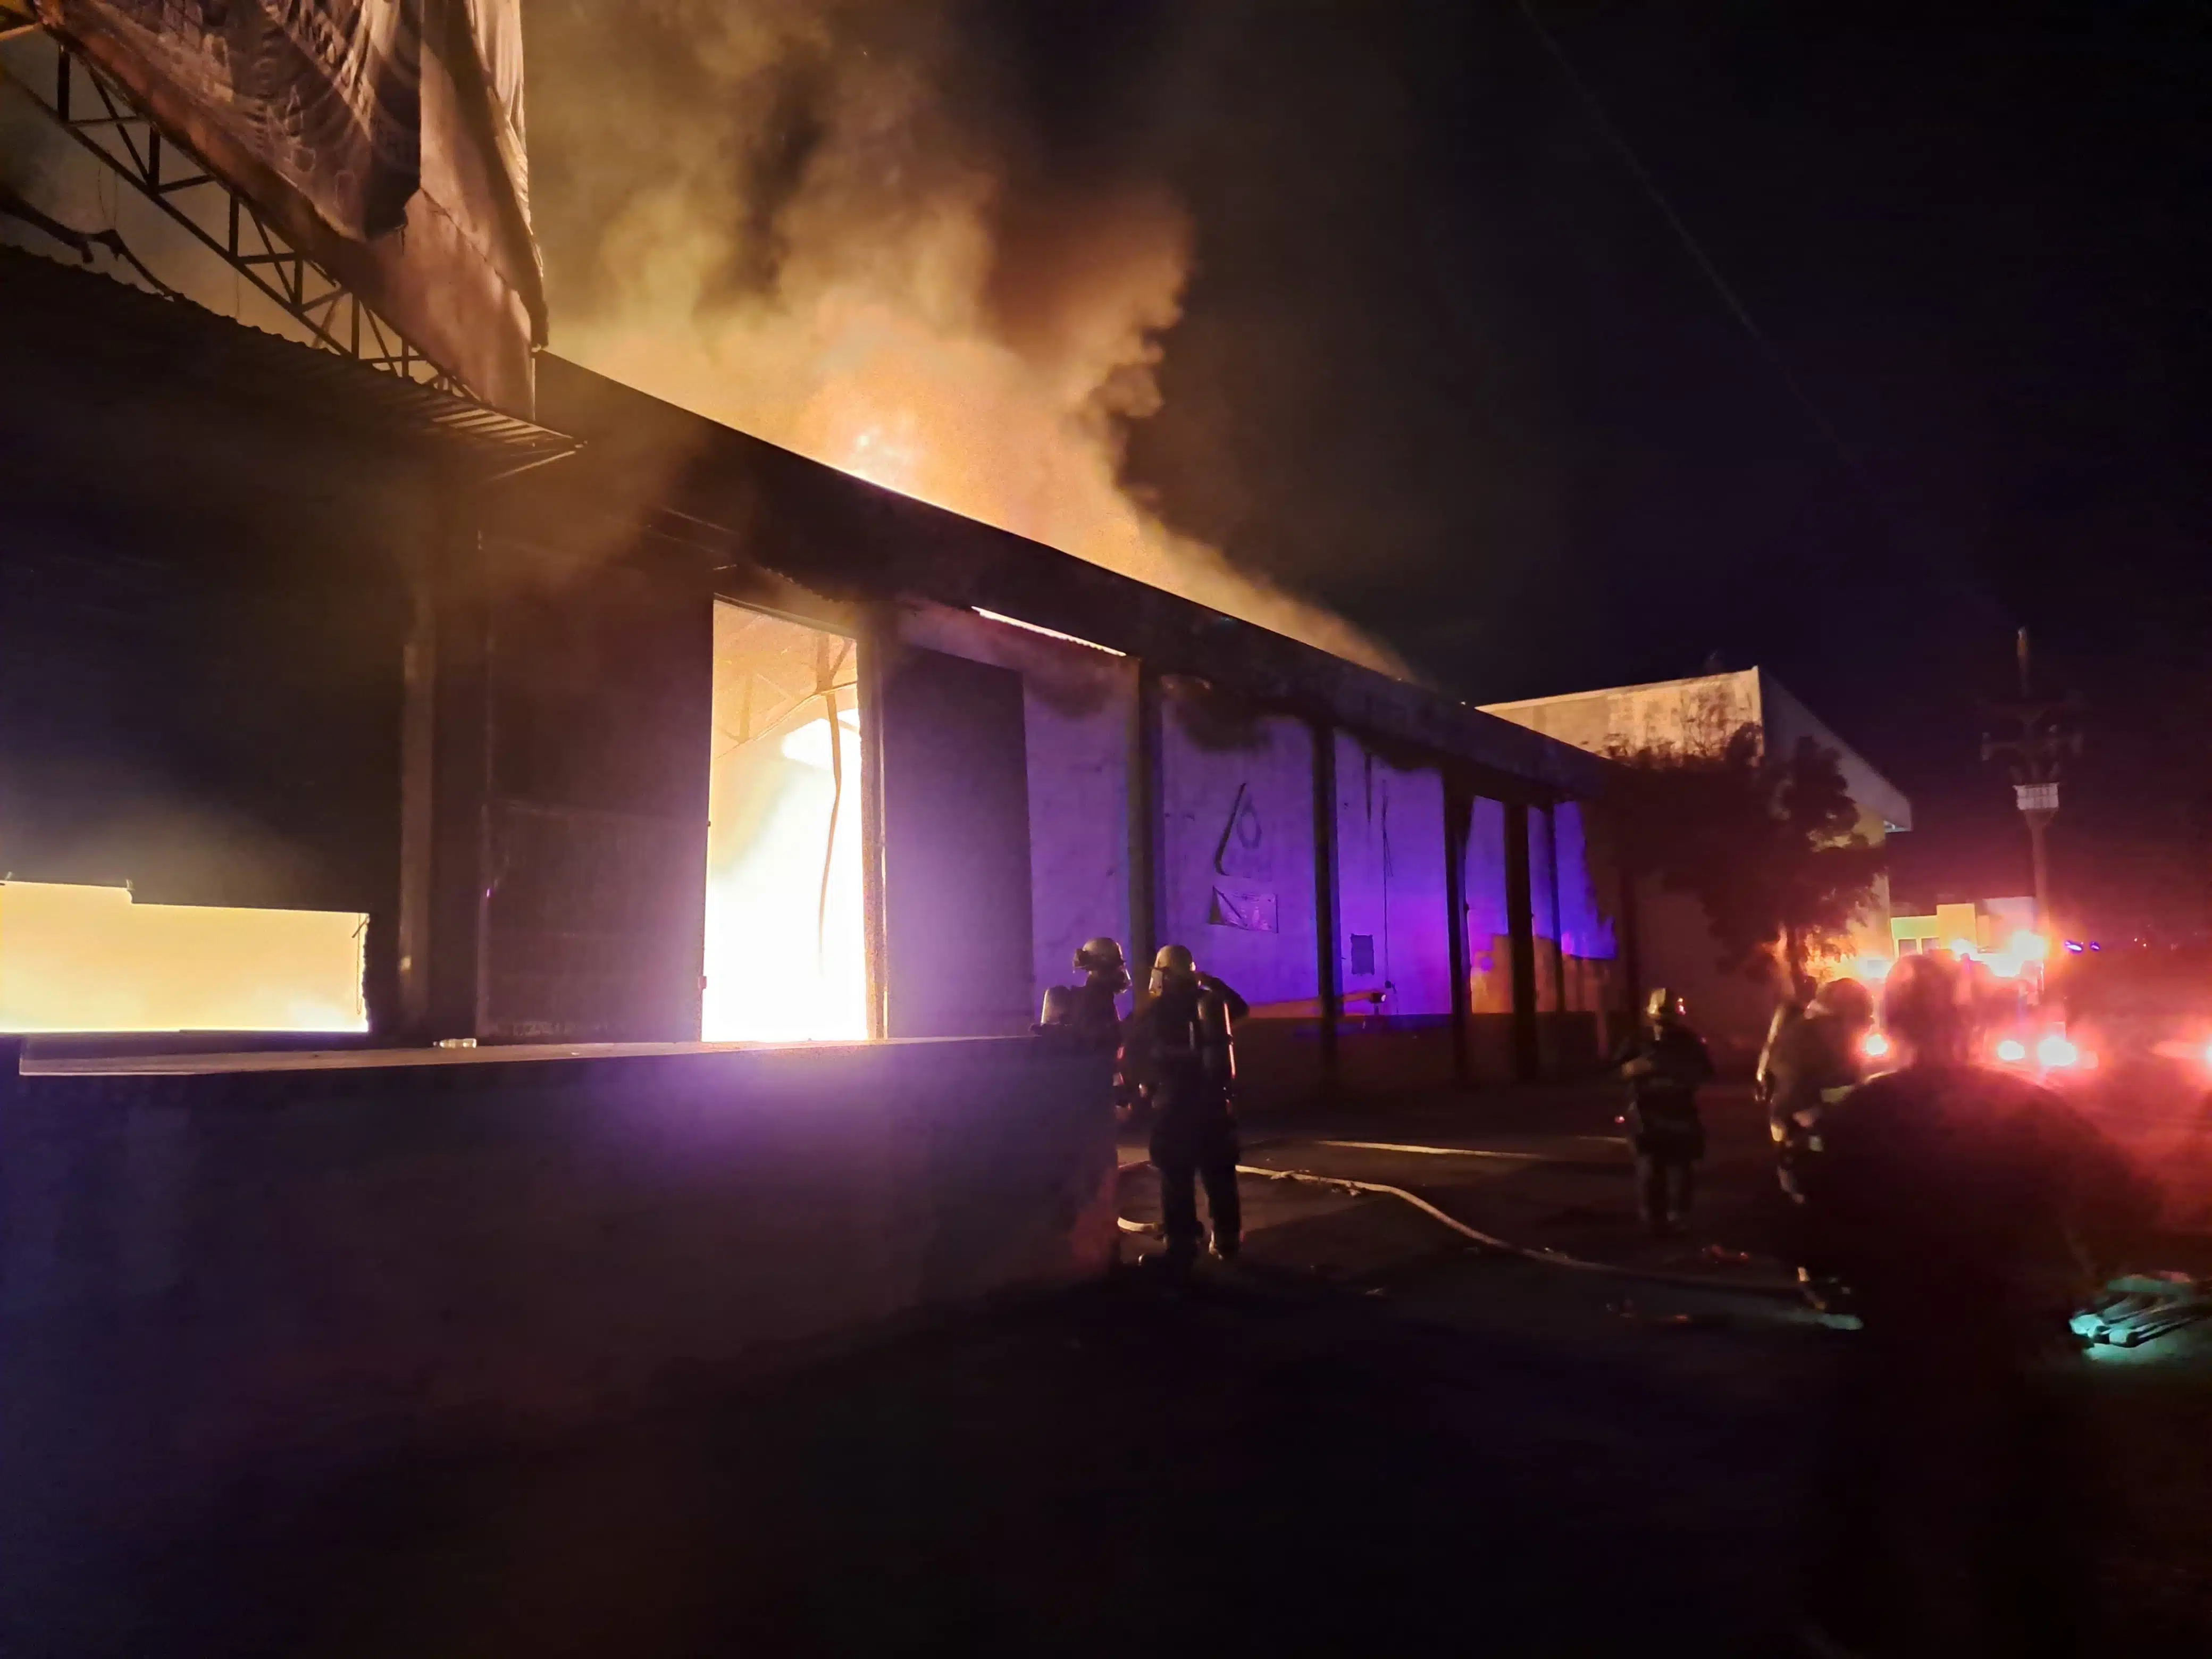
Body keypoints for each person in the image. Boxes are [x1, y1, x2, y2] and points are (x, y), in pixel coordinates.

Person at [1799, 950, 2138, 1657]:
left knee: (1885, 1517)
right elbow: (2126, 1193)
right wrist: (2082, 1269)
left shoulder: (1865, 1114)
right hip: (2020, 1345)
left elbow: (1818, 1230)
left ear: (1893, 1024)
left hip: (1907, 1349)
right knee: (2039, 1528)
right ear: (1976, 1021)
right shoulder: (2029, 1107)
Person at [1118, 944, 1241, 1269]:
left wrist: (1139, 1087)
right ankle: (1227, 1240)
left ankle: (1182, 1245)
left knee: (1177, 1177)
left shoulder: (1154, 1011)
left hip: (1175, 1106)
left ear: (1164, 973)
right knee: (1220, 1174)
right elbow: (1240, 1009)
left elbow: (1129, 1046)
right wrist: (1212, 982)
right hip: (1215, 1103)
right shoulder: (1209, 1003)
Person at [1615, 987, 1714, 1237]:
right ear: (1650, 1018)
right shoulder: (1637, 1041)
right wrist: (1632, 1069)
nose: (1663, 1027)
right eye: (1660, 1021)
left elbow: (1706, 1072)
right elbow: (1614, 1071)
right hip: (1646, 1114)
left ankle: (1678, 1217)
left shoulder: (1689, 1042)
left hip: (1679, 1112)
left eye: (1667, 1021)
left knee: (1680, 1169)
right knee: (1650, 1169)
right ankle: (1654, 1221)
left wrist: (1680, 1073)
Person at [1036, 936, 1130, 1051]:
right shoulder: (1091, 1002)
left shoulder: (1102, 1000)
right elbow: (1094, 1038)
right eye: (1114, 968)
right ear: (1101, 970)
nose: (1120, 974)